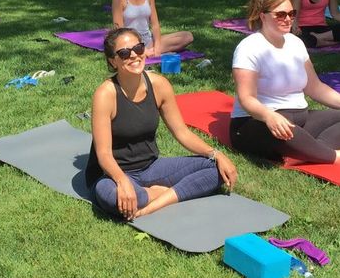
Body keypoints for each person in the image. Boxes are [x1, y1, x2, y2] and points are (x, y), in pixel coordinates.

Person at [86, 28, 238, 220]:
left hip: (150, 167)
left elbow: (182, 132)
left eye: (138, 48)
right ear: (112, 61)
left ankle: (155, 202)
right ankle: (158, 193)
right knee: (115, 199)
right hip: (110, 175)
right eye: (124, 53)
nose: (133, 55)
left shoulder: (159, 85)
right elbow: (104, 155)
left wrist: (216, 154)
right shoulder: (105, 95)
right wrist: (122, 181)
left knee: (216, 170)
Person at [231, 0, 340, 163]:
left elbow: (315, 87)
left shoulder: (295, 43)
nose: (288, 19)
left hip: (299, 120)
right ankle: (336, 157)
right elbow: (246, 99)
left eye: (292, 14)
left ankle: (305, 153)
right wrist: (269, 116)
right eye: (280, 15)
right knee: (284, 131)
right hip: (258, 123)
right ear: (263, 16)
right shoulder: (249, 48)